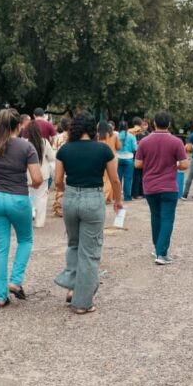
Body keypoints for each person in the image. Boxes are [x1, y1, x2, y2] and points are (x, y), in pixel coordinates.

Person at [54, 111, 122, 313]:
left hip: (71, 198)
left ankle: (72, 287)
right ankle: (82, 303)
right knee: (90, 251)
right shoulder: (103, 150)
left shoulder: (65, 150)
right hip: (93, 199)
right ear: (93, 128)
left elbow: (58, 181)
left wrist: (69, 193)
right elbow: (115, 179)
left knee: (73, 244)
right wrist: (117, 200)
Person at [0, 108, 44, 307]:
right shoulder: (26, 148)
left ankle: (0, 297)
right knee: (25, 239)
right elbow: (37, 178)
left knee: (0, 247)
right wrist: (28, 186)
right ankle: (15, 281)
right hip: (17, 198)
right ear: (19, 126)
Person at [135, 112, 189, 265]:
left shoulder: (144, 141)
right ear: (169, 124)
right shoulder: (176, 141)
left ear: (154, 123)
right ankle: (162, 253)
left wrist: (151, 164)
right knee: (167, 219)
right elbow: (184, 164)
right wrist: (172, 164)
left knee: (155, 217)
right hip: (169, 186)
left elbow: (137, 164)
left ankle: (157, 247)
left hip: (150, 186)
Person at [26, 121, 56, 227]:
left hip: (28, 175)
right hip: (43, 174)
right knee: (42, 197)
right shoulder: (44, 142)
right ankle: (39, 222)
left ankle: (31, 212)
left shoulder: (25, 142)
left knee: (29, 195)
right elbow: (52, 157)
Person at [98, 121, 121, 204]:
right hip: (113, 157)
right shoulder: (114, 135)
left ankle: (108, 197)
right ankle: (108, 197)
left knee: (105, 178)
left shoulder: (98, 136)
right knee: (112, 177)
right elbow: (119, 147)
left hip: (101, 157)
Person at [52, 118, 71, 218]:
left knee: (59, 184)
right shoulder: (72, 137)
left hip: (59, 161)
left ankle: (58, 207)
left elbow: (54, 150)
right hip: (70, 162)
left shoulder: (58, 137)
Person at [116, 120, 138, 202]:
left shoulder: (116, 136)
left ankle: (117, 197)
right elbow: (134, 148)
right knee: (128, 179)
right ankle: (127, 197)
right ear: (127, 127)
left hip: (118, 158)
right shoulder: (132, 136)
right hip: (129, 159)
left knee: (118, 179)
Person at [129, 117, 148, 200]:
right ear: (140, 123)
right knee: (143, 174)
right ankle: (143, 193)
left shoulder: (129, 131)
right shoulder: (144, 132)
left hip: (134, 155)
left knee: (136, 175)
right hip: (144, 156)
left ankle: (135, 193)